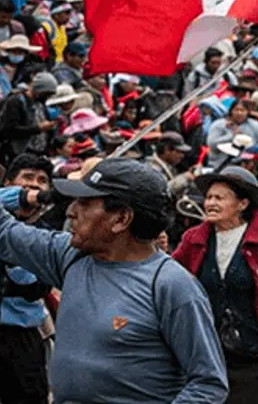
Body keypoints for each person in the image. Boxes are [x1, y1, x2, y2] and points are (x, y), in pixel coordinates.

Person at [0, 158, 229, 402]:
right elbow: (4, 231)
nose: (71, 211)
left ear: (121, 219)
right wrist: (21, 197)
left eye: (85, 203)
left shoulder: (171, 286)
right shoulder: (71, 257)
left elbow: (208, 384)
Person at [173, 167, 258, 404]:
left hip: (255, 355)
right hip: (209, 354)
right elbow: (171, 279)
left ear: (243, 204)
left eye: (220, 198)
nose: (210, 203)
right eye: (209, 197)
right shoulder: (194, 239)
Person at [0, 155, 54, 404]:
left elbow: (35, 289)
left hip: (21, 337)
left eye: (42, 181)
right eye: (27, 178)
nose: (34, 185)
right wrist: (22, 198)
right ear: (8, 182)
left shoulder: (47, 235)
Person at [0, 72, 58, 164]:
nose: (47, 97)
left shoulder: (40, 103)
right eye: (46, 93)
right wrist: (38, 128)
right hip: (18, 153)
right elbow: (10, 130)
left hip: (38, 153)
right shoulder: (16, 102)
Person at [207, 99, 258, 168]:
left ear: (247, 112)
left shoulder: (254, 125)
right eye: (236, 110)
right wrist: (232, 137)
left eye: (242, 110)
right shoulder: (219, 124)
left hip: (247, 164)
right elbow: (211, 144)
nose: (239, 113)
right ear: (231, 111)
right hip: (221, 164)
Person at [147, 131, 195, 200]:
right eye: (179, 152)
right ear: (167, 149)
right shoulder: (152, 169)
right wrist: (185, 178)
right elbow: (162, 191)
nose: (182, 156)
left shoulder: (169, 166)